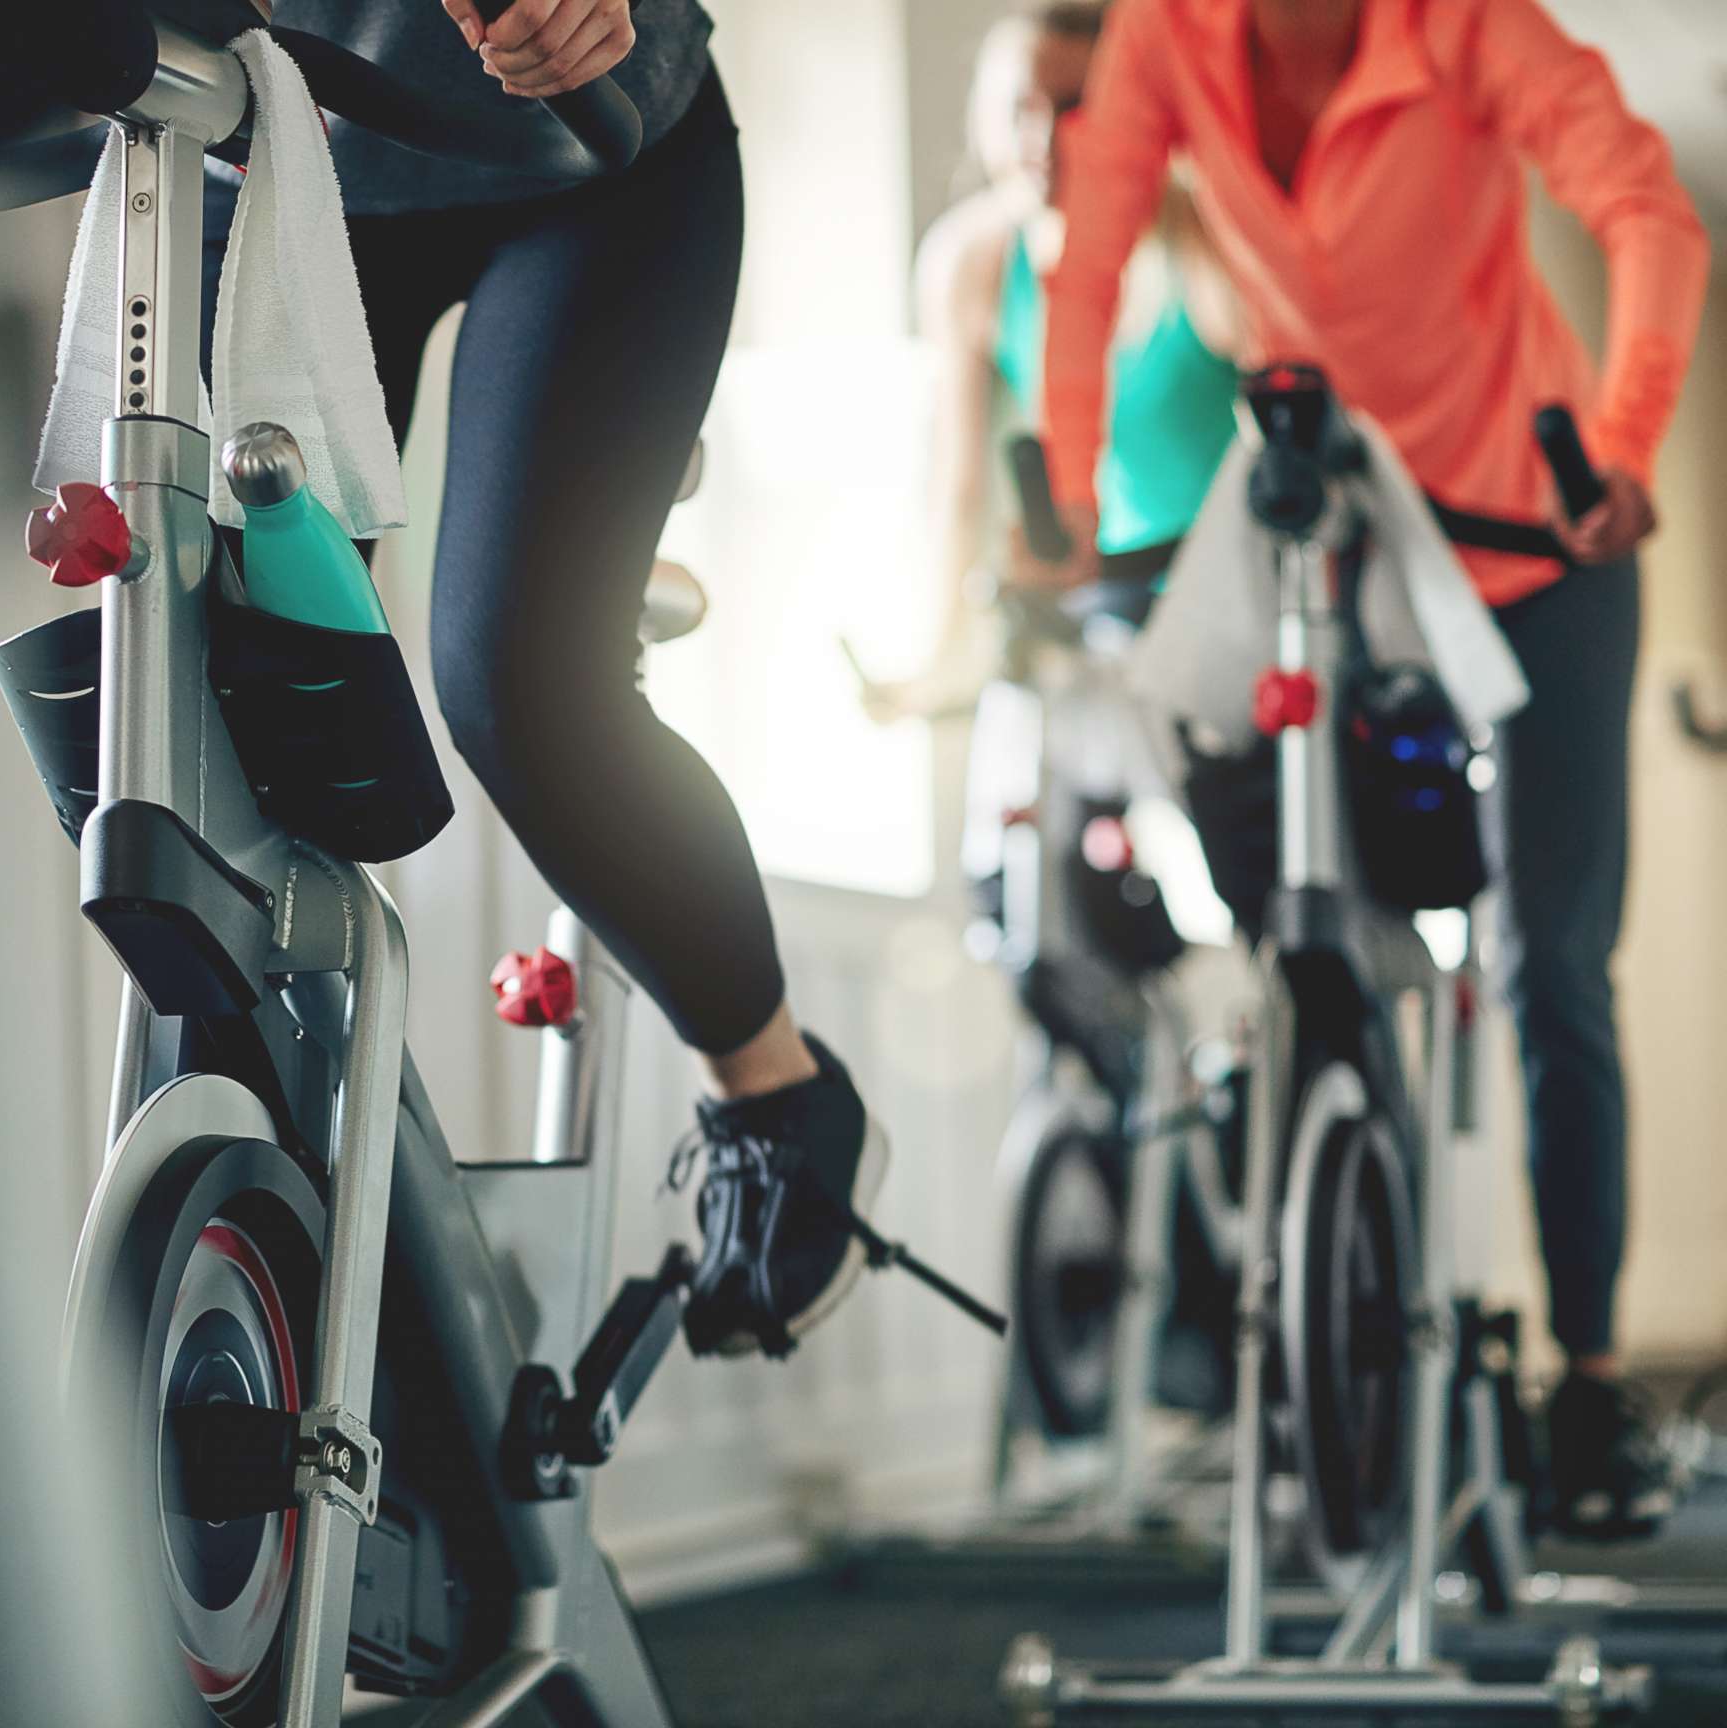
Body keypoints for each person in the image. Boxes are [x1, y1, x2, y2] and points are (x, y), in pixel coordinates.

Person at [1040, 0, 1709, 1536]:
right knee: (1310, 912)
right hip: (1340, 535)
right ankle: (1358, 1272)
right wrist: (1067, 483)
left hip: (1541, 540)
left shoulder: (1462, 27)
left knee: (1551, 960)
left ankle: (1590, 1380)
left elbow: (1642, 203)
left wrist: (1626, 433)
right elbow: (1088, 257)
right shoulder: (1167, 40)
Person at [204, 0, 887, 1358]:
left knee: (520, 683)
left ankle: (775, 1095)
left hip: (598, 152)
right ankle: (278, 1145)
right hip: (283, 143)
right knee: (233, 680)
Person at [899, 0, 1241, 718]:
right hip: (1082, 592)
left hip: (1216, 592)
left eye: (1079, 106)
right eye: (1023, 108)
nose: (1048, 140)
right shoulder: (973, 261)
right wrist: (941, 654)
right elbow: (959, 485)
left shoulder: (1199, 239)